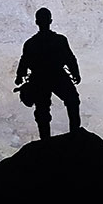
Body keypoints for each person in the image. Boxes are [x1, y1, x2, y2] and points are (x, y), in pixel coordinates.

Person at [15, 8, 81, 139]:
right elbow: (69, 58)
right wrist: (75, 73)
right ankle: (67, 135)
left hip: (46, 77)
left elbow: (69, 57)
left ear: (37, 22)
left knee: (66, 102)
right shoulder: (54, 40)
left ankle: (63, 136)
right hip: (48, 77)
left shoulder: (32, 43)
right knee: (47, 108)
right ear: (50, 21)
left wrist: (19, 76)